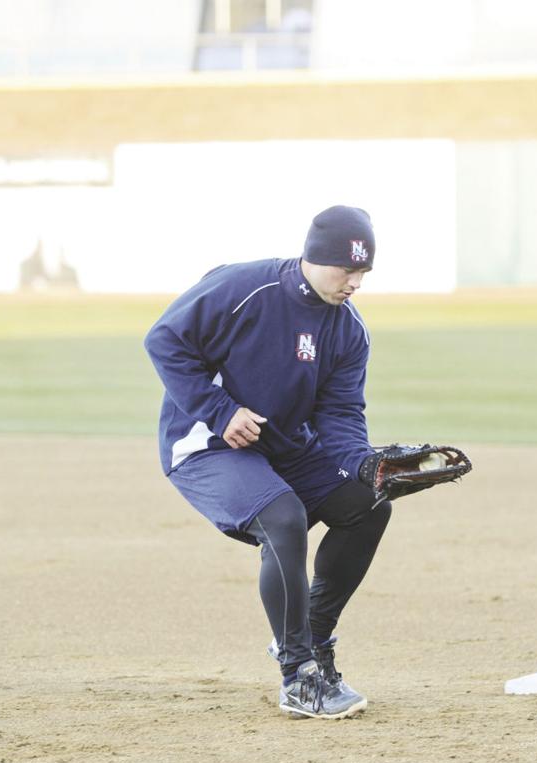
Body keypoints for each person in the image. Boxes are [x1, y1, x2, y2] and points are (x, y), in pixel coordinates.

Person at [144, 206, 390, 720]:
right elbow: (164, 340)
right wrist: (219, 411)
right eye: (346, 270)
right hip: (207, 444)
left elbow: (340, 415)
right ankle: (298, 677)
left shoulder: (348, 331)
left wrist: (366, 467)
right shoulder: (245, 287)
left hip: (284, 447)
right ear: (314, 257)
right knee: (283, 518)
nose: (355, 282)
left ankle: (314, 645)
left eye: (363, 273)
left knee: (367, 505)